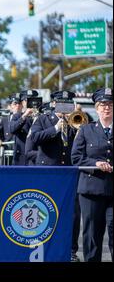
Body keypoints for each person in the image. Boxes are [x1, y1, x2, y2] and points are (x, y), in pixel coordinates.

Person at [29, 90, 81, 261]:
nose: (64, 108)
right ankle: (42, 247)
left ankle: (71, 250)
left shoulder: (76, 120)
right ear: (54, 104)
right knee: (45, 210)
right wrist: (55, 128)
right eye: (61, 104)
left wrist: (79, 129)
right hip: (49, 172)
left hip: (69, 173)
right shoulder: (43, 119)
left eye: (68, 104)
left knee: (72, 213)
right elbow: (35, 138)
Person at [72, 87, 113, 262]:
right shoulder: (86, 130)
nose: (107, 108)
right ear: (96, 108)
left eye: (110, 104)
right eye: (103, 104)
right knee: (92, 234)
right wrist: (95, 164)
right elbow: (76, 158)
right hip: (91, 189)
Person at [9, 90, 39, 165]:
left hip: (36, 155)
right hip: (21, 157)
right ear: (23, 103)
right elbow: (12, 129)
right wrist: (25, 115)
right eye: (27, 100)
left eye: (33, 100)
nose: (30, 103)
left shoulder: (41, 116)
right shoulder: (18, 116)